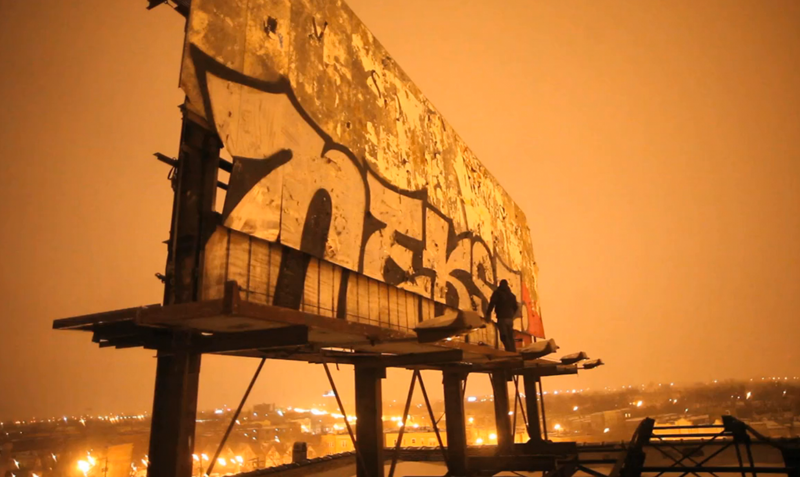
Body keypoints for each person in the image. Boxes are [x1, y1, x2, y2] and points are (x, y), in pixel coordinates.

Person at [486, 279, 519, 352]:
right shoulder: (512, 296)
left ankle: (509, 351)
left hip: (502, 318)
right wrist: (511, 315)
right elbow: (516, 307)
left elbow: (492, 303)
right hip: (509, 319)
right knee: (510, 336)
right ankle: (513, 351)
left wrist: (488, 314)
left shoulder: (497, 293)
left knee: (504, 336)